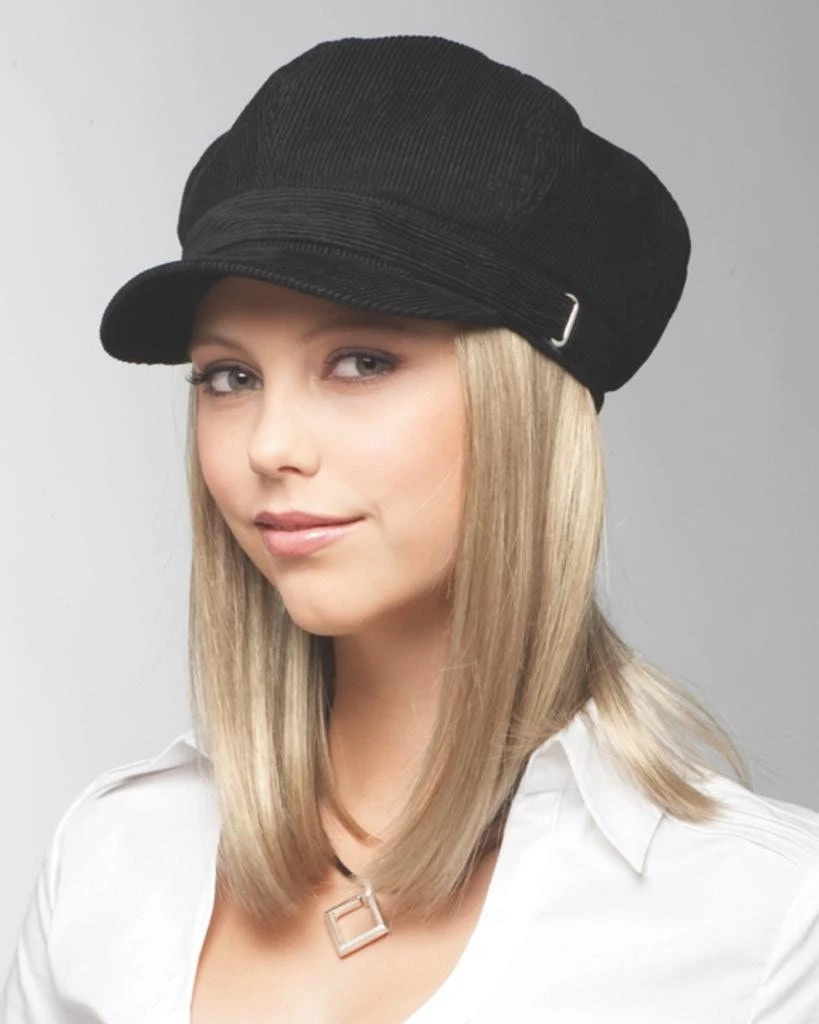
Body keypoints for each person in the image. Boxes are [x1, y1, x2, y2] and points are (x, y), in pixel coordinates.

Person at [2, 33, 818, 1024]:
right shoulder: (112, 862)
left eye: (362, 362)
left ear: (522, 408)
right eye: (229, 375)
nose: (270, 443)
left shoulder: (762, 924)